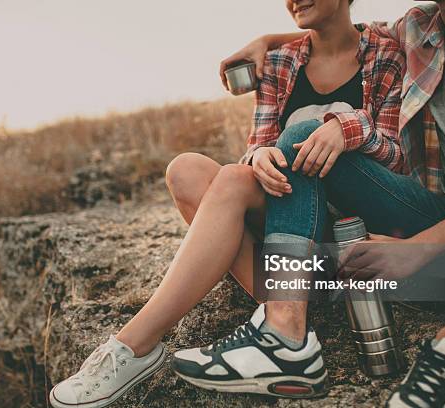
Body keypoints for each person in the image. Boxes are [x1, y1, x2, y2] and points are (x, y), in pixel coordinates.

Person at [49, 0, 406, 407]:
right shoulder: (280, 62)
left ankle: (134, 345)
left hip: (349, 238)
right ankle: (278, 309)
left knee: (293, 139)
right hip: (286, 231)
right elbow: (255, 149)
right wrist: (260, 158)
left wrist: (346, 129)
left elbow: (396, 157)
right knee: (187, 169)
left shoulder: (385, 51)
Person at [213, 0, 445, 407]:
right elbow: (343, 32)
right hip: (439, 217)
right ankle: (283, 330)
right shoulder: (419, 26)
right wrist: (266, 41)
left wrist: (416, 251)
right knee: (306, 133)